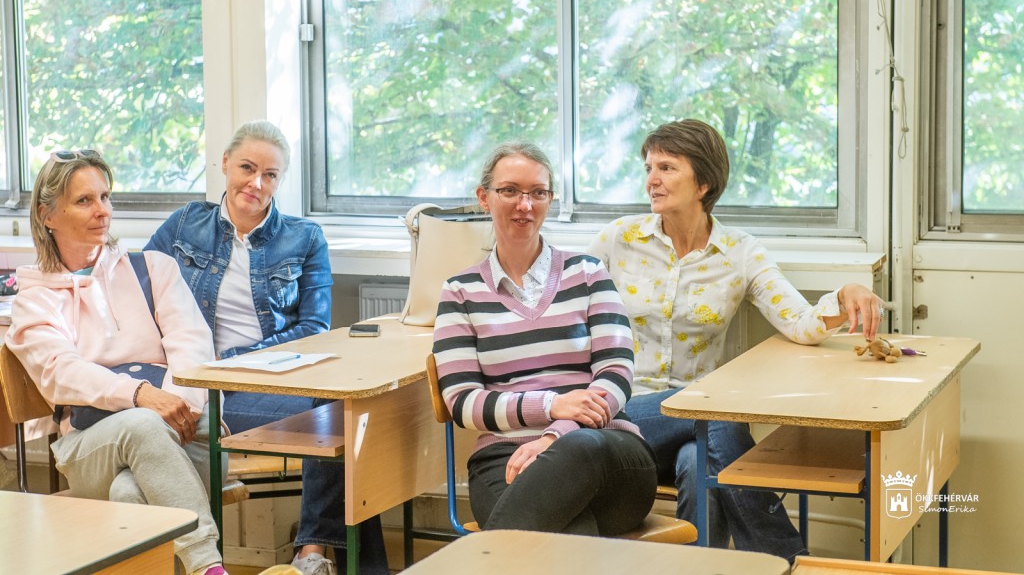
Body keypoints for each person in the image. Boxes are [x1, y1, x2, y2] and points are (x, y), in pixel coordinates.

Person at [587, 119, 886, 562]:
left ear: (704, 183)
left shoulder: (739, 252)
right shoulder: (618, 239)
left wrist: (845, 296)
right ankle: (788, 562)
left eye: (667, 168)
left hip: (701, 427)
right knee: (716, 412)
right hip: (626, 415)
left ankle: (701, 571)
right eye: (649, 167)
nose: (651, 180)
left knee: (702, 464)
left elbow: (799, 323)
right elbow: (568, 317)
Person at [145, 121, 386, 575]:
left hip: (270, 385)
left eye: (270, 174)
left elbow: (314, 327)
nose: (256, 183)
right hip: (205, 393)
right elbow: (139, 292)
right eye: (247, 168)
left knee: (347, 413)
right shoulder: (184, 225)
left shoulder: (305, 237)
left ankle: (311, 552)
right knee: (344, 427)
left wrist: (236, 361)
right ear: (224, 164)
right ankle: (324, 559)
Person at [7, 149, 227, 575]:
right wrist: (142, 396)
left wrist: (175, 407)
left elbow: (193, 348)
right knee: (142, 427)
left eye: (105, 197)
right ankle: (209, 566)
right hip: (89, 447)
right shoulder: (35, 300)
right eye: (84, 200)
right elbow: (60, 372)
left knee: (130, 495)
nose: (102, 210)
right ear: (48, 215)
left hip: (184, 430)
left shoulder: (155, 269)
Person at [432, 141, 658, 536]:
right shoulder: (460, 292)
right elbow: (462, 402)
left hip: (606, 452)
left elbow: (617, 375)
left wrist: (557, 435)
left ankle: (478, 561)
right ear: (484, 198)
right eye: (510, 191)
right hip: (506, 457)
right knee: (569, 534)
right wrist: (552, 404)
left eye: (538, 193)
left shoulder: (588, 273)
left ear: (549, 200)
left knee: (579, 450)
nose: (525, 204)